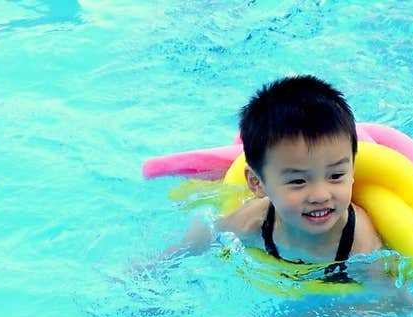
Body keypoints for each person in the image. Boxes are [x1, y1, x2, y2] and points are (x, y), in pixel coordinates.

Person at [166, 75, 387, 285]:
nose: (321, 195)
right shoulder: (252, 222)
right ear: (257, 183)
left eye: (336, 176)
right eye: (298, 181)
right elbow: (202, 237)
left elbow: (391, 299)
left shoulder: (359, 243)